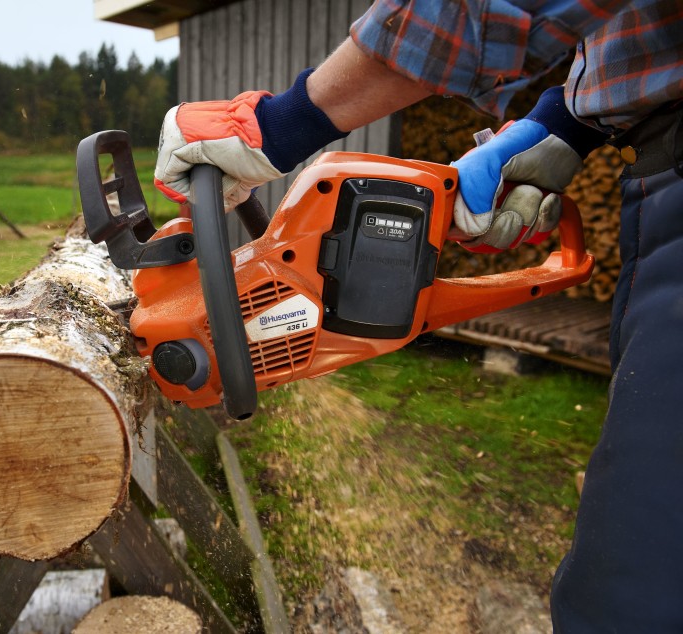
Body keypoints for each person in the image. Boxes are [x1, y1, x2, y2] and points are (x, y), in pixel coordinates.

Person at [153, 1, 683, 631]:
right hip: (655, 183)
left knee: (631, 599)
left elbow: (476, 11)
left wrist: (280, 123)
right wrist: (562, 125)